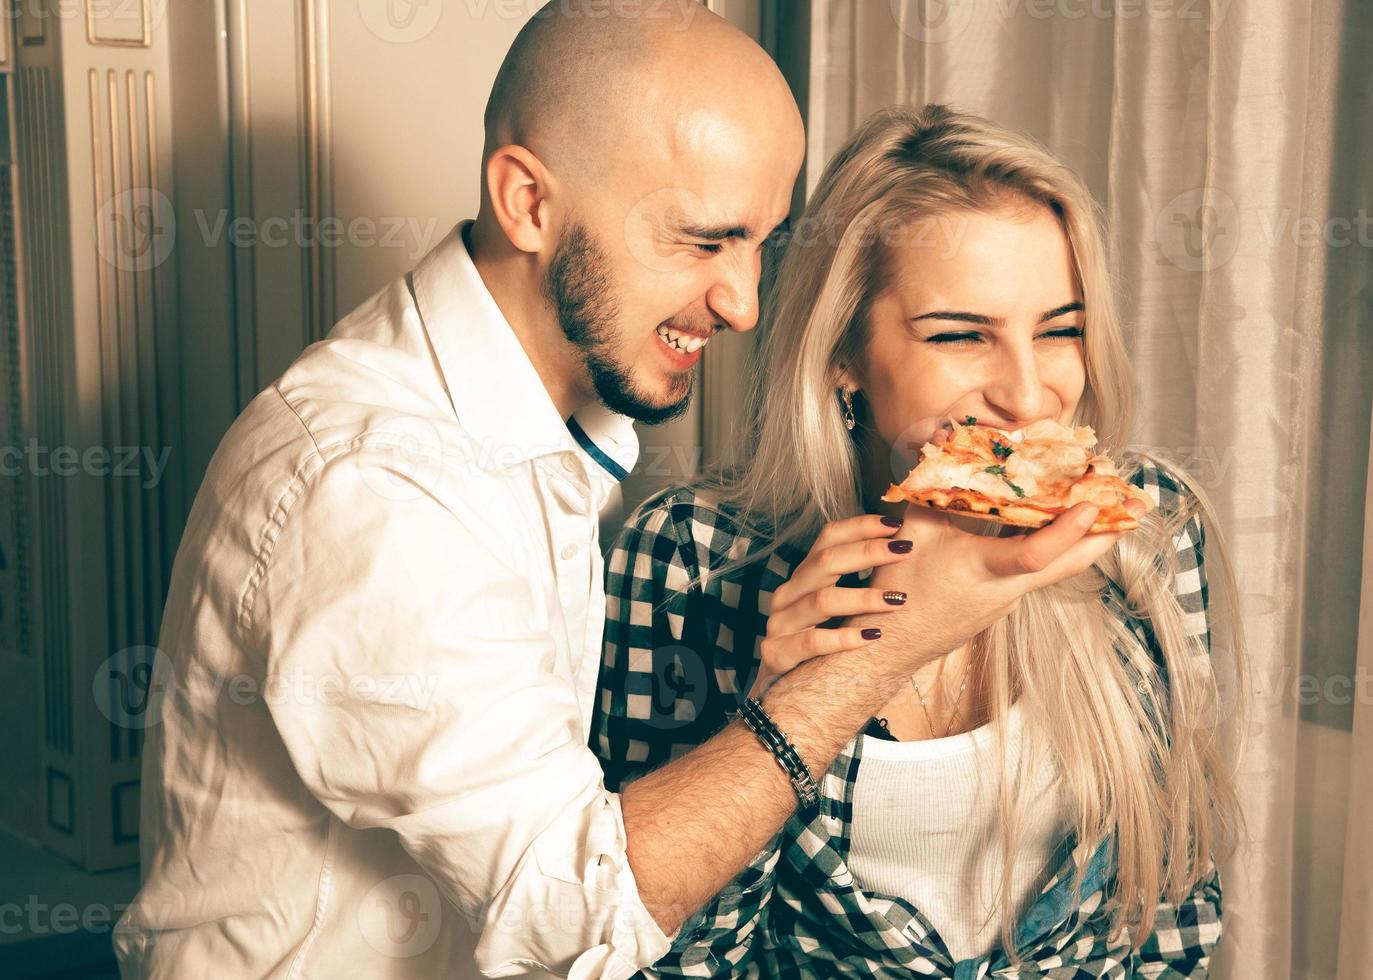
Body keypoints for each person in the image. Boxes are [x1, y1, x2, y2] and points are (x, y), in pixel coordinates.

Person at [114, 6, 1127, 978]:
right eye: (700, 239)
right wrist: (875, 656)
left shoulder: (566, 426)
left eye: (760, 245)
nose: (741, 303)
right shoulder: (377, 485)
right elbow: (573, 910)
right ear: (527, 201)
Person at [594, 103, 1249, 977]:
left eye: (1060, 329)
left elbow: (1176, 914)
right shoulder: (688, 558)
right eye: (960, 335)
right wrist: (783, 702)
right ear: (844, 355)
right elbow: (659, 961)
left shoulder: (1146, 530)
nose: (1028, 394)